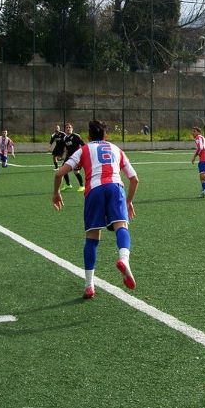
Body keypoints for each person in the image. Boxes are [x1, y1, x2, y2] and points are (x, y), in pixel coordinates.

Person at [52, 120, 139, 299]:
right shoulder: (117, 149)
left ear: (89, 137)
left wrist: (56, 193)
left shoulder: (83, 150)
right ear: (105, 136)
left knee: (92, 238)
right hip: (116, 187)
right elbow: (134, 179)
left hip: (94, 191)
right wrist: (128, 202)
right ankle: (123, 258)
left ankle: (89, 286)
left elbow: (59, 173)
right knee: (122, 227)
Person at [61, 123, 85, 192]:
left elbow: (83, 145)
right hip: (69, 157)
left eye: (69, 127)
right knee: (63, 170)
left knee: (76, 172)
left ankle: (82, 186)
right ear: (65, 130)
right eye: (67, 128)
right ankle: (68, 184)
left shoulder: (76, 136)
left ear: (72, 128)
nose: (68, 129)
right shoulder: (65, 138)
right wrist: (64, 156)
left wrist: (82, 155)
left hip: (77, 157)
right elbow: (66, 148)